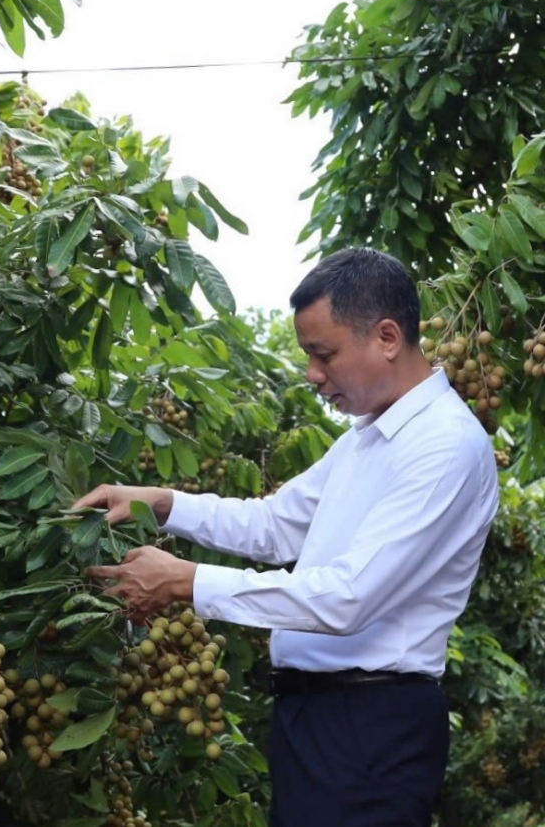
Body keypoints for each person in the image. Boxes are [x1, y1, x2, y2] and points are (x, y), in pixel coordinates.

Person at [79, 247, 498, 827]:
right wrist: (163, 502)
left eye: (324, 354)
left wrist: (188, 582)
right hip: (316, 719)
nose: (312, 374)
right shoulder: (366, 439)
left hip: (370, 728)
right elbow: (275, 525)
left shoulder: (444, 445)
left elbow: (347, 598)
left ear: (386, 337)